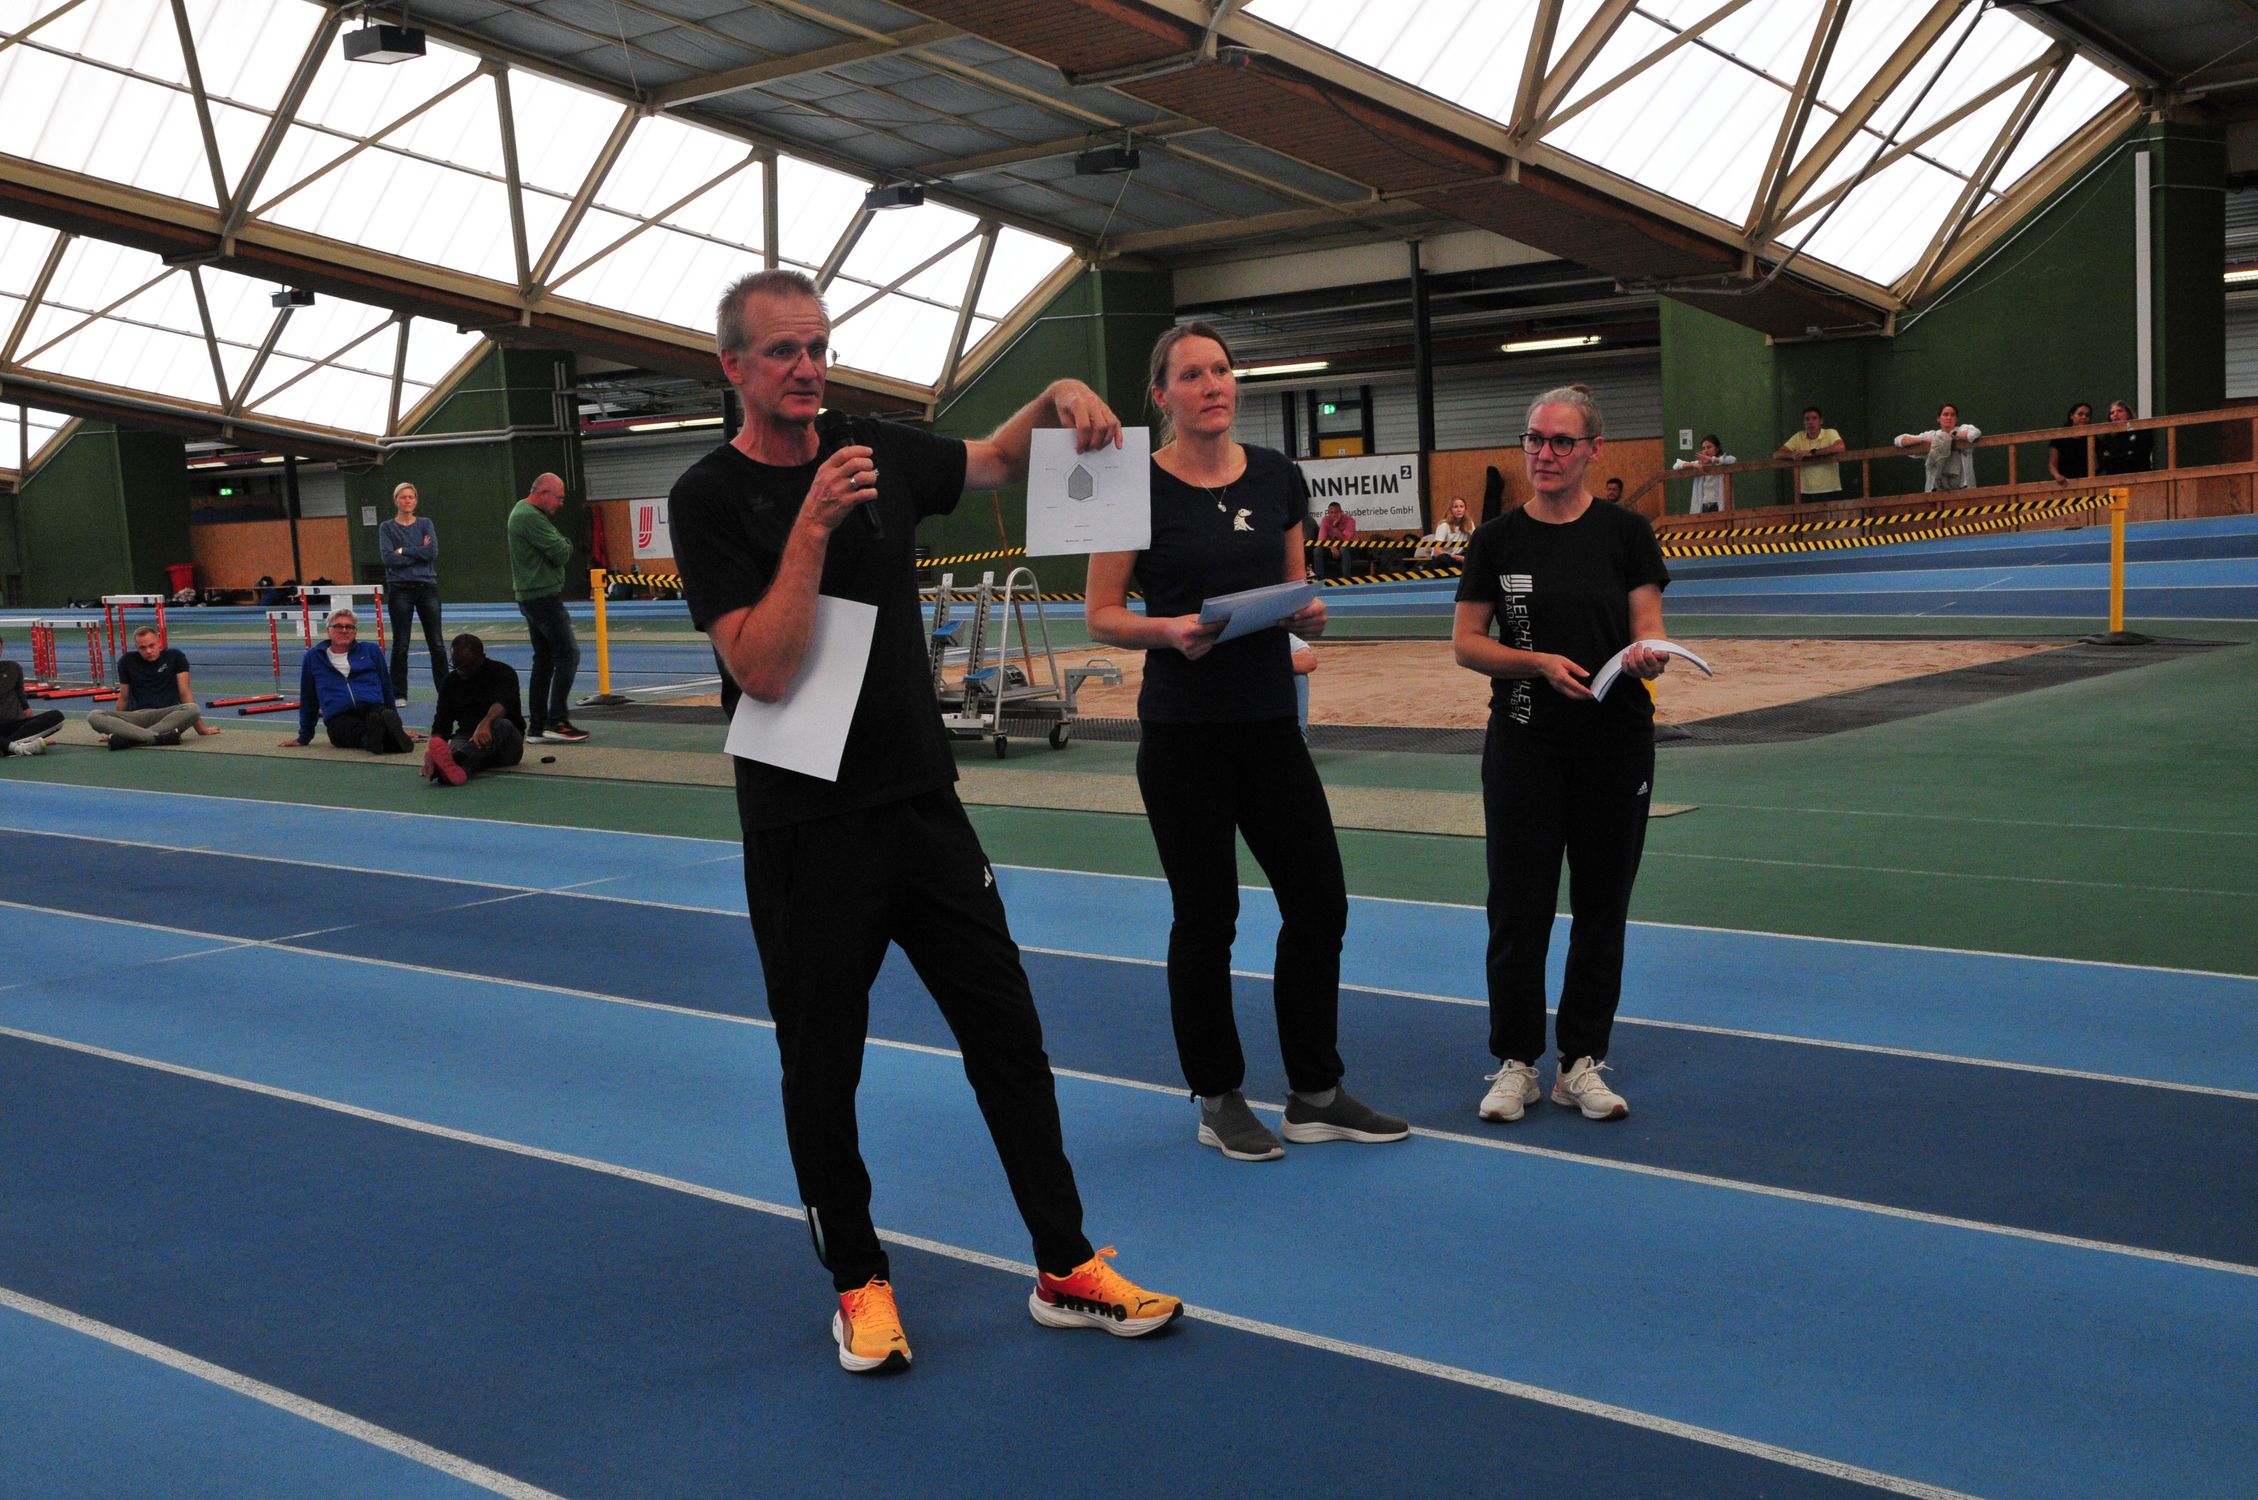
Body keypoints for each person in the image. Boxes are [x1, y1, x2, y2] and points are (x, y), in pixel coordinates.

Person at [667, 267, 1179, 1376]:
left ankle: (1064, 1265)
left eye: (819, 346)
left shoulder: (875, 445)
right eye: (783, 351)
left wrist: (1054, 398)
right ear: (734, 367)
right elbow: (761, 669)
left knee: (1009, 1036)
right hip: (806, 826)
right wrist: (812, 526)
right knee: (822, 1067)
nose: (808, 368)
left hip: (921, 806)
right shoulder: (707, 498)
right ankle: (858, 1282)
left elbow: (994, 459)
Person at [1086, 321, 1407, 1164]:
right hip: (1184, 736)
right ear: (1162, 395)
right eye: (1192, 374)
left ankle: (1315, 1093)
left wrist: (1310, 614)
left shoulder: (1275, 474)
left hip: (1270, 725)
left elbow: (1295, 587)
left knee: (1320, 903)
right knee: (1208, 917)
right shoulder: (1132, 486)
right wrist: (1169, 629)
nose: (1213, 385)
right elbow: (1102, 614)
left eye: (1222, 370)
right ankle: (1218, 1096)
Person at [1453, 384, 1670, 1125]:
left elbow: (1648, 626)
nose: (1543, 453)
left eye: (1560, 442)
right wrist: (1537, 663)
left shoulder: (1627, 533)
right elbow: (1467, 644)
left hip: (1616, 747)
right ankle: (1516, 1062)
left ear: (1593, 450)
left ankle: (1581, 1062)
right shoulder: (1496, 540)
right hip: (1524, 747)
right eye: (1534, 439)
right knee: (1519, 910)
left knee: (1602, 909)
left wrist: (1649, 655)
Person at [509, 472, 589, 744]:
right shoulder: (529, 517)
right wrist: (565, 543)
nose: (561, 503)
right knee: (568, 654)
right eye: (559, 498)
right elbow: (561, 551)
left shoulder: (525, 513)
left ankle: (538, 726)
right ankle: (556, 721)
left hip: (532, 596)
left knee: (543, 660)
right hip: (542, 598)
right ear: (543, 493)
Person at [280, 608, 413, 754]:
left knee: (379, 716)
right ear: (328, 631)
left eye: (349, 627)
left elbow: (386, 686)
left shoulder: (371, 650)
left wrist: (397, 724)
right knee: (341, 733)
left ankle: (378, 739)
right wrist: (304, 736)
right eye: (338, 626)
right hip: (339, 714)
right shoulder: (313, 657)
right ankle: (382, 739)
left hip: (372, 708)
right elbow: (308, 698)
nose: (344, 630)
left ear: (355, 632)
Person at [88, 626, 221, 749]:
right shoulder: (127, 661)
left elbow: (185, 693)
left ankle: (130, 738)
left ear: (159, 643)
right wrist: (114, 728)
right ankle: (158, 738)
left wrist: (201, 729)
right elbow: (123, 698)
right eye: (142, 648)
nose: (148, 651)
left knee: (193, 709)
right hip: (135, 717)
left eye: (152, 645)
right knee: (94, 716)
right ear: (136, 648)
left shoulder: (175, 657)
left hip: (166, 716)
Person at [422, 633, 524, 787]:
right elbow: (442, 721)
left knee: (502, 724)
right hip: (466, 738)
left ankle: (454, 761)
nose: (460, 670)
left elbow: (503, 702)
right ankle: (456, 770)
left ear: (481, 657)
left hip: (506, 742)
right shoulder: (450, 682)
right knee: (460, 752)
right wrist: (433, 750)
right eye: (455, 665)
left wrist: (485, 723)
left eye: (466, 666)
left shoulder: (503, 672)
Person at [380, 481, 446, 708]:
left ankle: (445, 691)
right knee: (401, 644)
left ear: (416, 501)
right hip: (400, 590)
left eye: (411, 497)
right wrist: (419, 553)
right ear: (396, 500)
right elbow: (388, 558)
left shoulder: (426, 523)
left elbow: (432, 552)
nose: (407, 500)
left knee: (437, 643)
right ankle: (398, 693)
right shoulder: (387, 528)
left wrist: (404, 551)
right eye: (403, 497)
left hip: (427, 588)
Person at [1, 632, 64, 757]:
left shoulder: (13, 668)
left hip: (15, 726)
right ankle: (14, 747)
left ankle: (10, 745)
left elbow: (22, 699)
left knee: (56, 716)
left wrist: (35, 733)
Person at [1896, 403, 1982, 491]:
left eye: (1952, 415)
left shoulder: (1962, 430)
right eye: (1945, 414)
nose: (1949, 417)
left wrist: (1953, 434)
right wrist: (1921, 440)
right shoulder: (1932, 435)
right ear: (1938, 418)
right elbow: (1898, 440)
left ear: (1956, 419)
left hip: (1963, 489)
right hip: (1936, 491)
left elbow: (1975, 433)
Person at [1775, 406, 1846, 502]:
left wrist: (1812, 452)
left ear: (1821, 421)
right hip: (1805, 491)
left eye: (1814, 418)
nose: (1810, 422)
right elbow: (1777, 454)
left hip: (1830, 489)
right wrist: (1792, 454)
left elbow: (1840, 447)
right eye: (1807, 419)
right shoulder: (1799, 436)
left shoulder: (1830, 433)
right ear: (1804, 423)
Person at [1673, 435, 1737, 514]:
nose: (1706, 451)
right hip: (1703, 506)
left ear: (1717, 449)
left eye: (1709, 447)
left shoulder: (1721, 462)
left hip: (1719, 505)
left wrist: (1711, 459)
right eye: (1703, 448)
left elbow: (1732, 460)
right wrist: (1693, 465)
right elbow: (1676, 465)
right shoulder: (1699, 464)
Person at [2096, 399, 2155, 475]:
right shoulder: (2107, 438)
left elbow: (2140, 457)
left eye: (2119, 411)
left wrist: (2114, 457)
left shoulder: (2141, 432)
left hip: (2140, 476)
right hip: (2114, 478)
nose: (2115, 414)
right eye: (2112, 413)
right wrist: (2127, 454)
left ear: (2128, 414)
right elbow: (2103, 462)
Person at [2048, 403, 2094, 484]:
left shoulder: (2092, 436)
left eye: (2087, 415)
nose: (2084, 417)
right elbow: (2052, 464)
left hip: (2086, 483)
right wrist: (2057, 476)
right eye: (2080, 414)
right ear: (2071, 416)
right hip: (2065, 483)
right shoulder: (2059, 436)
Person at [1417, 496, 1472, 560]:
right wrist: (1458, 558)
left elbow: (1476, 540)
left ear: (1465, 509)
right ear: (1450, 510)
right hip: (1443, 557)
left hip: (1458, 556)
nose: (1459, 510)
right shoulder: (1444, 525)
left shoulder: (1469, 523)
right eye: (1455, 507)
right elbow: (1437, 551)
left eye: (1461, 506)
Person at [1313, 500, 1356, 578]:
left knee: (1343, 548)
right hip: (1335, 548)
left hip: (1352, 548)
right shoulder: (1325, 520)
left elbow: (1345, 542)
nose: (1334, 515)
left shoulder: (1350, 520)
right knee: (1317, 550)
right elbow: (1321, 540)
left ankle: (1346, 579)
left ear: (1341, 512)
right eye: (1331, 512)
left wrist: (1335, 527)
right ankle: (1319, 579)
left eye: (1336, 512)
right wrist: (1331, 547)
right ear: (1328, 513)